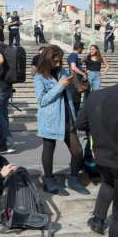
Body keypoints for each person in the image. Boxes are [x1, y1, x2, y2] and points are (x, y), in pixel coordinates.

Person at [34, 45, 89, 196]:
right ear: (47, 60)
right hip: (51, 119)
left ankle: (73, 179)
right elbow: (42, 100)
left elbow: (70, 89)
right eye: (55, 61)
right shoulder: (39, 77)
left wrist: (79, 85)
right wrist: (59, 86)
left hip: (68, 116)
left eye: (60, 61)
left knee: (77, 152)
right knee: (49, 149)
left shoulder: (62, 71)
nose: (58, 64)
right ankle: (49, 180)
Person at [75, 83, 118, 236]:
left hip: (101, 155)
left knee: (107, 183)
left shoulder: (96, 95)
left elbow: (80, 124)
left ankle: (98, 221)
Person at [67, 42, 87, 114]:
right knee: (75, 101)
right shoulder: (73, 55)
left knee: (76, 101)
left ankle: (75, 119)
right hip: (74, 82)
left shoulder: (74, 56)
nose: (82, 50)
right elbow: (73, 67)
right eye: (82, 49)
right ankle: (74, 121)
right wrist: (83, 74)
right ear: (79, 48)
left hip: (75, 81)